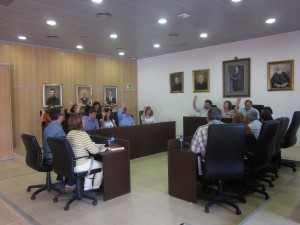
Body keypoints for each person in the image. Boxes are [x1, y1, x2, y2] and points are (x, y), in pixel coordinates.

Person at [66, 113, 103, 191]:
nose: (85, 121)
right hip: (81, 164)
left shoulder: (69, 133)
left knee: (91, 163)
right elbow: (94, 151)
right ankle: (95, 188)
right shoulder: (83, 134)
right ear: (78, 122)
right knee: (100, 165)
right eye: (83, 119)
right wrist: (100, 147)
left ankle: (87, 187)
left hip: (71, 164)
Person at [43, 107, 76, 191]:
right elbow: (65, 147)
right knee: (74, 157)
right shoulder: (58, 129)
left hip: (47, 156)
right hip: (54, 158)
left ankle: (60, 178)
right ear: (60, 116)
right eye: (62, 114)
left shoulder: (47, 127)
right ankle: (70, 183)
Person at [191, 107, 223, 174]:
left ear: (207, 117)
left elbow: (194, 150)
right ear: (221, 117)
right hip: (230, 164)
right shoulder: (230, 128)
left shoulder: (201, 129)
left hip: (209, 166)